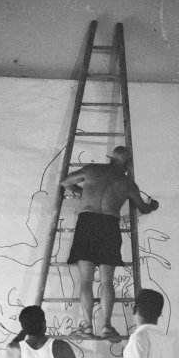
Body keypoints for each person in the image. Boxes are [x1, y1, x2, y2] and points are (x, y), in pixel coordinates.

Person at [60, 146, 159, 343]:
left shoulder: (92, 170)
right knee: (106, 282)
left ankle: (87, 326)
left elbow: (65, 182)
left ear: (110, 159)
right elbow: (143, 208)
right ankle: (106, 326)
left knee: (86, 281)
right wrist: (153, 205)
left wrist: (82, 192)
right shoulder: (128, 183)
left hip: (87, 222)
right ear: (127, 164)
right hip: (109, 226)